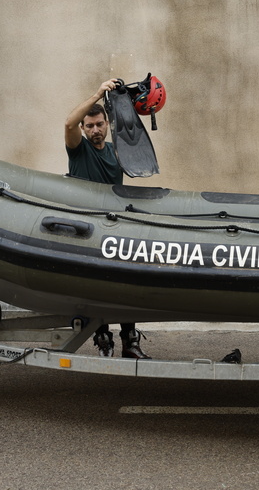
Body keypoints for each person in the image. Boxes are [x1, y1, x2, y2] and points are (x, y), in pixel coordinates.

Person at [65, 78, 151, 359]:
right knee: (91, 287)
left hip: (115, 226)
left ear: (106, 124)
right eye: (89, 126)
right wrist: (98, 93)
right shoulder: (79, 148)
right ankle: (102, 337)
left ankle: (130, 340)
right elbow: (68, 124)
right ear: (84, 129)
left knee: (123, 285)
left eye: (99, 124)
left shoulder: (117, 151)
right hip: (86, 228)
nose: (95, 130)